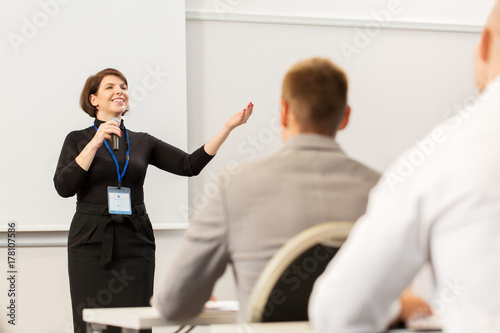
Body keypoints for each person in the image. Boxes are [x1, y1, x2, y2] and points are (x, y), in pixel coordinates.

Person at [309, 2, 500, 332]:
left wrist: (398, 309)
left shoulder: (440, 154)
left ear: (483, 46)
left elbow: (337, 312)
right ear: (345, 115)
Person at [152, 57, 381, 321]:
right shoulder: (381, 190)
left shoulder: (234, 186)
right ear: (345, 117)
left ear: (283, 111)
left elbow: (172, 305)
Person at [53, 68, 253, 333]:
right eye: (110, 87)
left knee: (138, 323)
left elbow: (189, 165)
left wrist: (228, 127)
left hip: (135, 238)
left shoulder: (141, 141)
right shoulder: (77, 139)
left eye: (123, 86)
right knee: (91, 322)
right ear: (93, 100)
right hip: (90, 240)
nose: (119, 91)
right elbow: (64, 187)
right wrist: (94, 142)